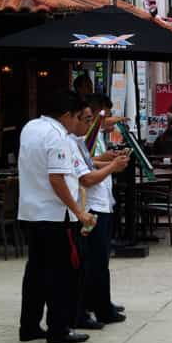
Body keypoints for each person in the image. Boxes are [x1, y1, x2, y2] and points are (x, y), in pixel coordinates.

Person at [18, 91, 97, 343]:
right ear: (66, 115)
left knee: (36, 272)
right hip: (55, 215)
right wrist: (78, 211)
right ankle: (59, 328)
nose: (77, 124)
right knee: (63, 274)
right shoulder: (58, 135)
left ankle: (29, 325)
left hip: (31, 211)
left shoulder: (30, 127)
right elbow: (57, 178)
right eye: (77, 118)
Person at [67, 98, 129, 329]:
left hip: (103, 202)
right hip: (90, 206)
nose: (106, 121)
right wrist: (111, 166)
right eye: (92, 119)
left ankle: (99, 302)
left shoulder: (88, 139)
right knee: (94, 261)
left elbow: (89, 162)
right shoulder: (79, 138)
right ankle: (96, 308)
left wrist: (107, 160)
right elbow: (85, 174)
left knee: (99, 259)